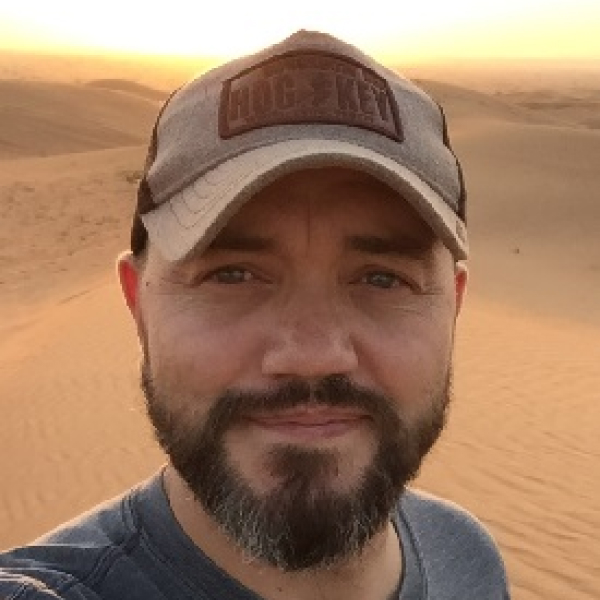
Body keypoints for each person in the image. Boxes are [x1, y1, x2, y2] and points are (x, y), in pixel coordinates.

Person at [0, 30, 510, 599]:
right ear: (138, 304)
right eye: (233, 275)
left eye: (382, 279)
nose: (312, 356)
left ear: (452, 308)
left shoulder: (465, 555)